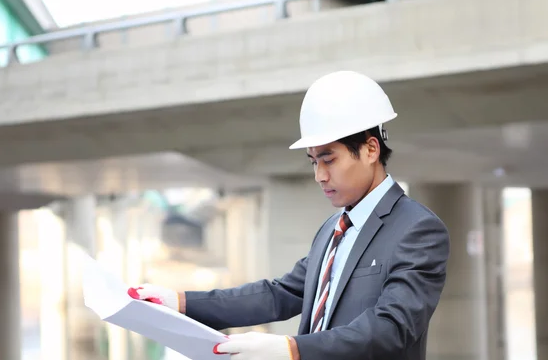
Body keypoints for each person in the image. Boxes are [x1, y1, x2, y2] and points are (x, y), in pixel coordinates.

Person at [128, 71, 451, 360]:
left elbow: (391, 329)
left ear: (370, 150)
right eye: (313, 162)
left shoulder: (417, 229)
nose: (319, 176)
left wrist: (292, 350)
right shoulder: (332, 230)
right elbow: (279, 294)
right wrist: (180, 303)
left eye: (329, 160)